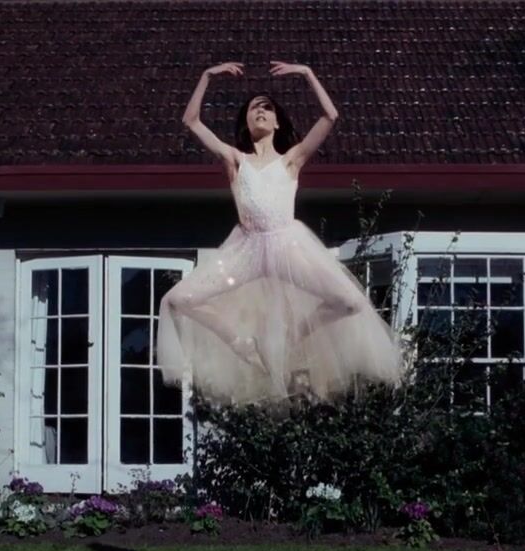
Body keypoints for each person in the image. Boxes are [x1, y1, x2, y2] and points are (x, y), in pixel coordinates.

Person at [155, 60, 404, 405]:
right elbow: (191, 121)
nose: (260, 110)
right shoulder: (235, 160)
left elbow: (330, 116)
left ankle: (293, 335)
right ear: (246, 122)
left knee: (349, 301)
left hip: (287, 246)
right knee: (177, 299)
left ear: (276, 122)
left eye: (267, 107)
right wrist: (206, 76)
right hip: (246, 250)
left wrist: (307, 73)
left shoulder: (291, 160)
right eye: (254, 108)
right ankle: (241, 343)